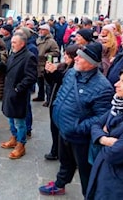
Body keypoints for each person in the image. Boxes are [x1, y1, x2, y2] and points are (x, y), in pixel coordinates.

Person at [39, 42, 114, 196]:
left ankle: (89, 196)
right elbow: (62, 91)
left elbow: (102, 117)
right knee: (65, 162)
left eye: (81, 57)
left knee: (86, 172)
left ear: (91, 63)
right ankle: (60, 185)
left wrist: (78, 127)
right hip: (63, 129)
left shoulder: (103, 87)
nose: (76, 59)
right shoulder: (72, 72)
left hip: (80, 138)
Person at [86, 65, 123, 200]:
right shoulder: (119, 105)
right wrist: (105, 139)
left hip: (121, 182)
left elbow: (114, 154)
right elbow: (96, 125)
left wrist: (102, 135)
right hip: (104, 170)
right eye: (119, 80)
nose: (116, 84)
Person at [0, 33, 37, 159]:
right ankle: (14, 138)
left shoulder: (29, 57)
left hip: (18, 94)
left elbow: (31, 77)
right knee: (10, 117)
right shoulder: (13, 54)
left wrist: (18, 88)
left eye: (15, 42)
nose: (12, 44)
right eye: (12, 42)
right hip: (9, 92)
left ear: (22, 43)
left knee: (19, 121)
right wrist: (2, 67)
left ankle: (21, 145)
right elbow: (10, 70)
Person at [42, 44, 79, 161]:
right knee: (54, 129)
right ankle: (55, 150)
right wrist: (48, 72)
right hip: (55, 102)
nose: (65, 56)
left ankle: (61, 153)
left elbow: (63, 82)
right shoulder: (63, 66)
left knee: (61, 131)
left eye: (67, 55)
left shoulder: (74, 71)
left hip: (63, 104)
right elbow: (51, 82)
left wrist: (54, 73)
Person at [33, 24, 60, 105]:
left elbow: (56, 52)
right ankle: (40, 96)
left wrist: (46, 55)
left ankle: (49, 100)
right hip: (38, 64)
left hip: (46, 64)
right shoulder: (38, 39)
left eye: (43, 30)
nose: (40, 31)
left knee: (47, 84)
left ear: (47, 31)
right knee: (39, 82)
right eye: (40, 29)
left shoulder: (51, 41)